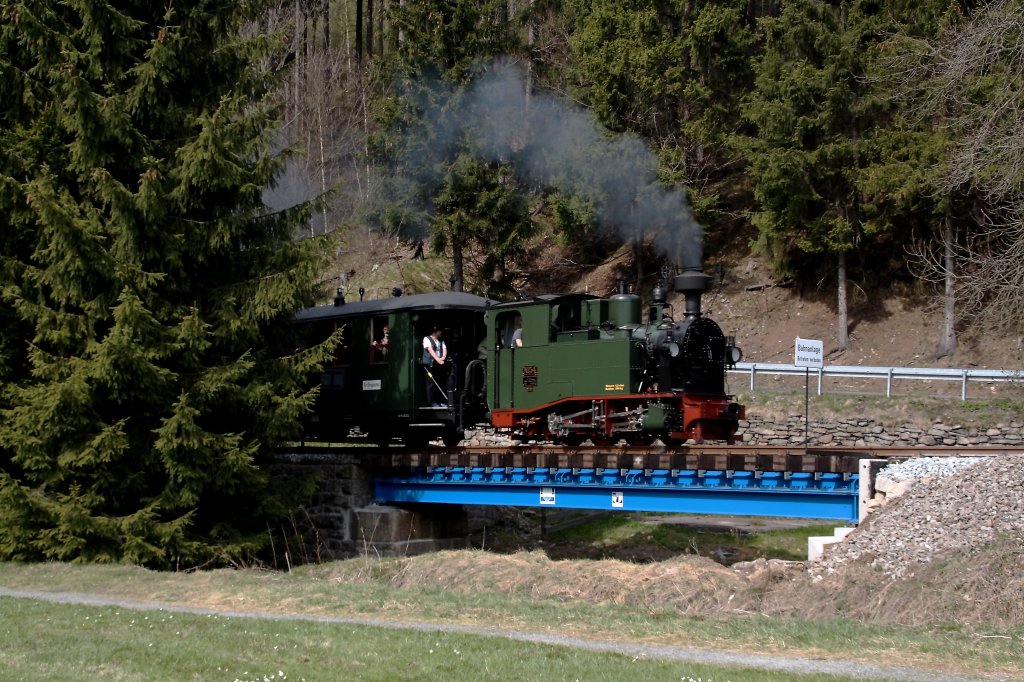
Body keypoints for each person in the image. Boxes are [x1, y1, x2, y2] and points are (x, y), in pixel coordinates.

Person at [422, 326, 448, 407]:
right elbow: (430, 350)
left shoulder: (441, 340)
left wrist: (443, 357)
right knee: (431, 383)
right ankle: (431, 402)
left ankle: (439, 401)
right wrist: (438, 360)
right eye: (440, 331)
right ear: (435, 332)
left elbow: (444, 349)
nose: (441, 333)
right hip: (430, 364)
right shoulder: (427, 339)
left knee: (440, 382)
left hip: (438, 364)